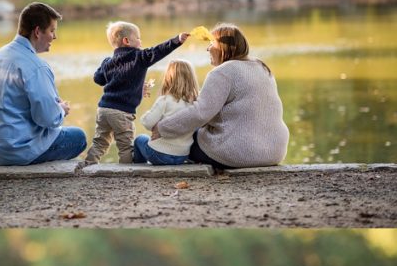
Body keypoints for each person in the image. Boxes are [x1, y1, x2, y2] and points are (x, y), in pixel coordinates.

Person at [152, 23, 289, 169]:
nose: (207, 48)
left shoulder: (223, 72)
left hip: (239, 153)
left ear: (222, 47)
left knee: (181, 140)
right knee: (190, 129)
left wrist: (162, 128)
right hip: (274, 152)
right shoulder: (262, 67)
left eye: (211, 43)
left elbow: (200, 114)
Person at [0, 2, 87, 166]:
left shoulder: (0, 55)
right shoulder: (36, 66)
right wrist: (61, 110)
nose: (55, 37)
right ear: (38, 32)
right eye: (52, 30)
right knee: (78, 137)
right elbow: (48, 118)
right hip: (14, 150)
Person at [81, 21, 189, 166]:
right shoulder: (139, 57)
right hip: (122, 113)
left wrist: (107, 67)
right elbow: (158, 51)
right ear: (127, 41)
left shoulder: (108, 61)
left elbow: (98, 78)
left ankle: (88, 165)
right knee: (125, 146)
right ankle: (126, 171)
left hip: (104, 109)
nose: (140, 41)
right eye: (138, 38)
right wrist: (176, 41)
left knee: (100, 141)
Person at [132, 60, 199, 166]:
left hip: (159, 155)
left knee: (139, 139)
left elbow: (147, 123)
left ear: (168, 78)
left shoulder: (165, 100)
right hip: (182, 156)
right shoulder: (195, 103)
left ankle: (138, 167)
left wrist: (148, 114)